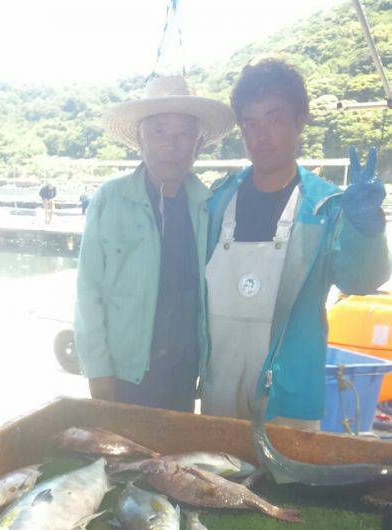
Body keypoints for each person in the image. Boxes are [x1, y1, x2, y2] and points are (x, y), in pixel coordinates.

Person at [204, 59, 389, 429]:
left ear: (299, 120)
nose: (261, 135)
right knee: (218, 480)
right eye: (250, 123)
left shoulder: (326, 205)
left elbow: (359, 281)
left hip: (291, 390)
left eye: (274, 119)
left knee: (286, 485)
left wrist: (365, 231)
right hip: (218, 385)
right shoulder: (218, 201)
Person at [74, 75, 234, 411]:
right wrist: (97, 370)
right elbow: (88, 292)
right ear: (139, 138)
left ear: (199, 143)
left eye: (183, 133)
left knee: (173, 460)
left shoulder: (210, 204)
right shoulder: (109, 199)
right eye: (158, 131)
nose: (170, 144)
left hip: (184, 373)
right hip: (124, 374)